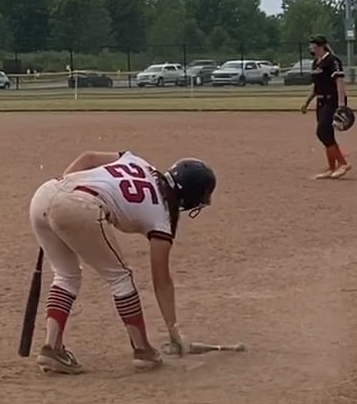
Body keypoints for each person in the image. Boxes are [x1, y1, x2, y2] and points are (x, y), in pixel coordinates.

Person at [26, 150, 216, 373]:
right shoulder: (164, 215)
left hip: (47, 192)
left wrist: (62, 191)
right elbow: (161, 280)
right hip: (79, 204)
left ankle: (52, 348)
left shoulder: (137, 161)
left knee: (66, 275)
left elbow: (89, 158)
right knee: (121, 278)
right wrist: (173, 330)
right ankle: (143, 351)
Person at [299, 35, 352, 179]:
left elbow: (339, 81)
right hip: (321, 102)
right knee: (327, 134)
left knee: (322, 132)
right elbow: (316, 87)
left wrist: (341, 104)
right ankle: (332, 168)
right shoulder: (316, 63)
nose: (310, 47)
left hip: (332, 101)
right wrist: (307, 102)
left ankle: (343, 164)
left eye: (312, 45)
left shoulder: (332, 60)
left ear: (320, 46)